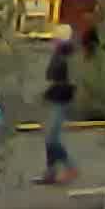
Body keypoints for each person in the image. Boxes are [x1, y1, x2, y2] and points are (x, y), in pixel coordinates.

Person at [38, 22, 84, 185]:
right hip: (57, 97)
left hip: (60, 99)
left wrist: (50, 92)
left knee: (52, 138)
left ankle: (69, 167)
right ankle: (51, 171)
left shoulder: (66, 56)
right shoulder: (62, 54)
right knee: (50, 137)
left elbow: (66, 80)